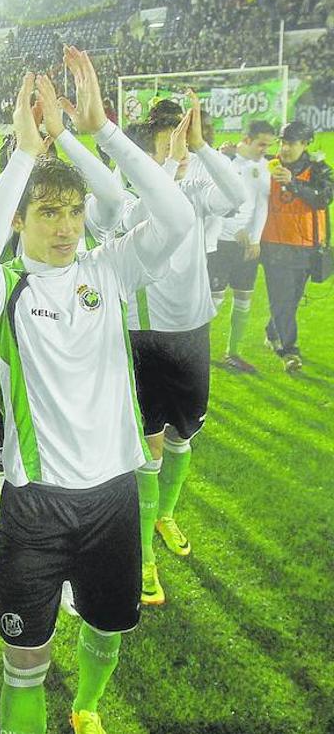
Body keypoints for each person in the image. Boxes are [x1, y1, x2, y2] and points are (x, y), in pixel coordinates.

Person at [0, 53, 194, 734]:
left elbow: (175, 220)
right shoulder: (1, 292)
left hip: (115, 497)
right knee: (23, 658)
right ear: (20, 221)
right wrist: (24, 158)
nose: (65, 227)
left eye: (73, 212)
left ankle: (86, 705)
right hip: (35, 507)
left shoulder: (107, 270)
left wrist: (101, 135)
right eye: (47, 212)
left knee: (108, 627)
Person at [71, 87, 247, 606]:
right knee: (145, 447)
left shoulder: (196, 190)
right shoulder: (121, 200)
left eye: (181, 145)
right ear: (145, 150)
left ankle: (166, 513)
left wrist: (203, 151)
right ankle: (145, 555)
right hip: (141, 336)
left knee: (183, 435)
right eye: (165, 146)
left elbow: (236, 198)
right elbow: (139, 212)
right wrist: (167, 165)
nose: (175, 154)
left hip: (192, 330)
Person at [261, 120, 333, 372]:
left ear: (305, 144)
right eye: (282, 142)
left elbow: (323, 199)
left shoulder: (319, 170)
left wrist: (293, 183)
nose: (285, 148)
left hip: (305, 248)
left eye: (291, 143)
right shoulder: (267, 163)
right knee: (281, 300)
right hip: (273, 245)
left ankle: (272, 331)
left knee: (291, 300)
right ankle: (289, 351)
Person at [208, 120, 276, 372]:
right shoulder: (223, 161)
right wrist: (234, 231)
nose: (265, 149)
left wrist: (255, 238)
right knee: (213, 301)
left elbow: (261, 204)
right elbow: (210, 205)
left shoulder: (263, 166)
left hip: (247, 245)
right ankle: (196, 351)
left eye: (269, 145)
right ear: (246, 140)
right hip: (220, 243)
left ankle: (233, 353)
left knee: (244, 298)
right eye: (261, 144)